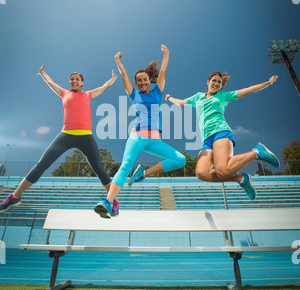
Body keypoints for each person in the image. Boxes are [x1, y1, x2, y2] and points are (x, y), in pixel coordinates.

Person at [0, 65, 120, 215]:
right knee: (41, 165)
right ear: (69, 82)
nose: (74, 81)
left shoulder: (88, 94)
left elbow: (104, 87)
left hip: (85, 136)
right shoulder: (64, 93)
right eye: (72, 79)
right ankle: (14, 197)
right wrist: (43, 73)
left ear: (82, 83)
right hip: (66, 134)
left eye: (77, 79)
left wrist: (113, 79)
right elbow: (51, 83)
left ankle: (113, 202)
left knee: (99, 168)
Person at [94, 45, 186, 218]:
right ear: (136, 83)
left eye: (145, 80)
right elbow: (124, 75)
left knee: (180, 160)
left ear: (149, 80)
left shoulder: (157, 92)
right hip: (137, 137)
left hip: (155, 140)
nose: (142, 82)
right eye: (139, 81)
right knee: (126, 165)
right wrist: (118, 60)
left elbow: (164, 70)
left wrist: (167, 53)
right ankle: (109, 202)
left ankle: (143, 173)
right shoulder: (133, 94)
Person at [165, 71, 280, 200]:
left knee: (222, 170)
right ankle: (241, 179)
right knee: (201, 173)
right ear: (208, 81)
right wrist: (169, 98)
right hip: (206, 140)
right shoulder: (198, 97)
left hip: (221, 132)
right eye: (214, 80)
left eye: (219, 82)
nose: (216, 83)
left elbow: (248, 90)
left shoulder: (224, 96)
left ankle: (256, 152)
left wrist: (268, 83)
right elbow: (181, 103)